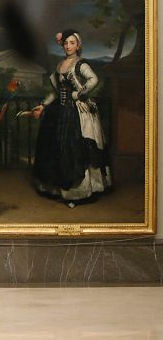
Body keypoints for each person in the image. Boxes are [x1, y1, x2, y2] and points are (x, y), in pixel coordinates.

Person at [30, 29, 111, 207]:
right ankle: (58, 190)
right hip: (59, 111)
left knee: (75, 147)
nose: (68, 46)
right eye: (66, 43)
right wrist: (43, 106)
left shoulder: (81, 64)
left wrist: (78, 94)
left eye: (72, 43)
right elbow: (55, 92)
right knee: (54, 146)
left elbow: (93, 80)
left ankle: (77, 194)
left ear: (78, 45)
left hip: (77, 112)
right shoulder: (60, 65)